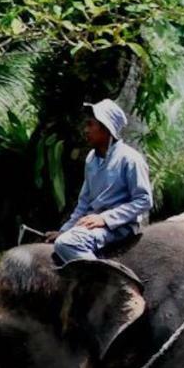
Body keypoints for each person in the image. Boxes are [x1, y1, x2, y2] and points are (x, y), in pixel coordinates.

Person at [46, 99, 152, 263]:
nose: (85, 130)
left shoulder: (130, 159)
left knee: (67, 243)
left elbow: (144, 200)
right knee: (62, 239)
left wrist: (105, 219)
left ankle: (105, 282)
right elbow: (84, 202)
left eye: (90, 125)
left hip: (121, 227)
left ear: (106, 128)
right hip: (92, 225)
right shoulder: (91, 159)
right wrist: (65, 229)